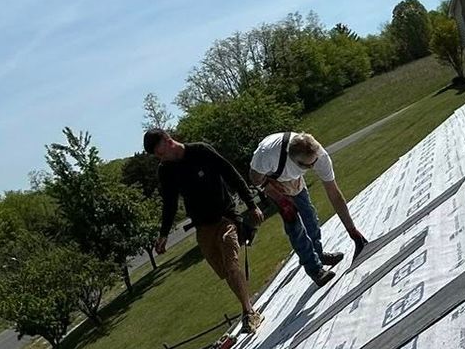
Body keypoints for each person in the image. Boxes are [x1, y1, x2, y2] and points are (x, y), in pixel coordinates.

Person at [145, 129, 266, 335]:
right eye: (157, 156)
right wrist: (164, 234)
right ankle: (247, 306)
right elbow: (169, 203)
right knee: (225, 271)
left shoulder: (200, 151)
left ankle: (248, 312)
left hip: (225, 217)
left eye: (160, 153)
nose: (160, 158)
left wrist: (251, 204)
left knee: (232, 265)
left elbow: (230, 173)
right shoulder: (165, 170)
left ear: (167, 140)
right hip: (202, 227)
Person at [250, 130, 371, 286]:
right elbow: (255, 178)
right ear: (293, 159)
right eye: (308, 165)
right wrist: (279, 198)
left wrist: (353, 232)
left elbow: (334, 194)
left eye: (314, 162)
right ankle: (315, 270)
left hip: (293, 178)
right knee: (294, 223)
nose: (313, 167)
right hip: (273, 181)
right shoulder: (268, 155)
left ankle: (319, 255)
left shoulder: (320, 156)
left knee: (310, 216)